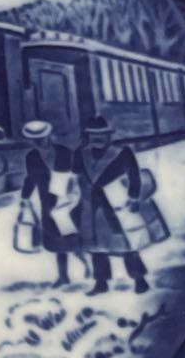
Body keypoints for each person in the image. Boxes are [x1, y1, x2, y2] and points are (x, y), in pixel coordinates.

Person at [74, 116, 149, 296]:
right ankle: (101, 283)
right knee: (96, 246)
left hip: (114, 205)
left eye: (102, 134)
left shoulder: (122, 153)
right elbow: (76, 175)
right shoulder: (81, 154)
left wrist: (133, 198)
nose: (97, 138)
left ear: (109, 135)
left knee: (125, 243)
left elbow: (134, 176)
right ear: (88, 136)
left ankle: (139, 280)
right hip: (91, 206)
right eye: (93, 135)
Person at [18, 120, 83, 286]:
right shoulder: (32, 157)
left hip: (68, 200)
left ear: (49, 136)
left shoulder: (64, 152)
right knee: (57, 240)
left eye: (41, 138)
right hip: (48, 202)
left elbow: (78, 172)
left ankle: (87, 267)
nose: (38, 142)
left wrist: (74, 189)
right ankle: (63, 276)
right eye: (35, 140)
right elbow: (31, 178)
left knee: (73, 235)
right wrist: (25, 197)